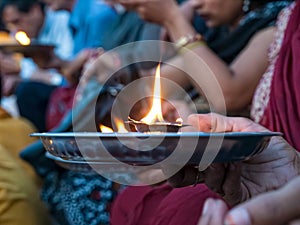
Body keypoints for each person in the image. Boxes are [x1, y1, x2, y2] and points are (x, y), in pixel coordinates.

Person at [107, 1, 293, 224]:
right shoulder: (220, 33)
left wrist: (174, 20)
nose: (195, 3)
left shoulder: (271, 25)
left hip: (244, 166)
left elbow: (228, 95)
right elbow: (153, 85)